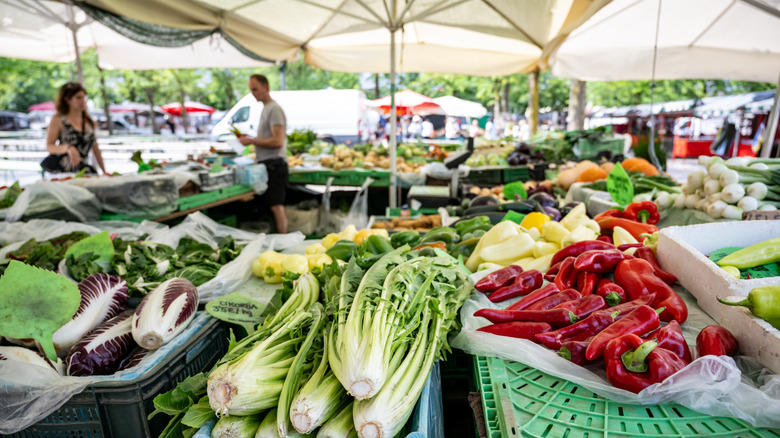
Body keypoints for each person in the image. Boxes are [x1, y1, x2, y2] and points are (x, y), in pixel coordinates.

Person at [237, 74, 289, 234]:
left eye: (255, 89)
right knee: (273, 206)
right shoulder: (266, 108)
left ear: (266, 88)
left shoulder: (274, 109)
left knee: (277, 207)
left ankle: (284, 244)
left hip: (275, 165)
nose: (253, 93)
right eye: (251, 90)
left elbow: (278, 141)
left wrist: (252, 141)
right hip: (268, 165)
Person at [42, 82, 107, 175]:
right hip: (65, 173)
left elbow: (95, 148)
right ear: (67, 100)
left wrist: (104, 172)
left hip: (84, 172)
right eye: (78, 97)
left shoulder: (88, 120)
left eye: (84, 97)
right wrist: (68, 148)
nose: (83, 101)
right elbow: (49, 147)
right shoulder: (58, 119)